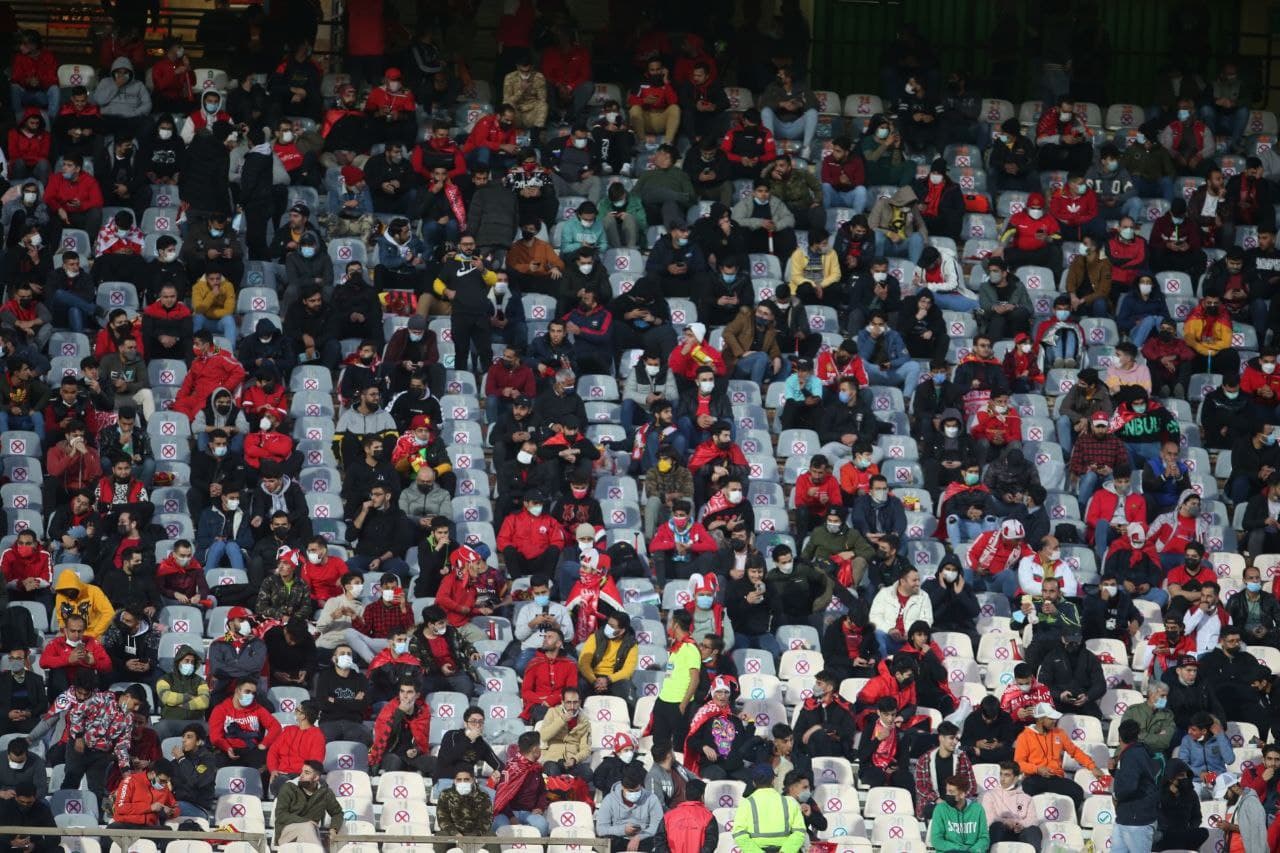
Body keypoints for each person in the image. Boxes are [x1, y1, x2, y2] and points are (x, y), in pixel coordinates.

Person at [1013, 702, 1104, 813]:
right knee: (1028, 788)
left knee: (1077, 792)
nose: (1055, 721)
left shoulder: (1059, 733)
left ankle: (1067, 818)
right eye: (1051, 718)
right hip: (1035, 777)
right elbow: (1018, 763)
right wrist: (1037, 769)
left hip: (1055, 777)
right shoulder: (1024, 737)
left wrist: (1092, 767)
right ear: (1041, 720)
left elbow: (1075, 752)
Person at [651, 610, 700, 752]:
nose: (669, 624)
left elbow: (695, 680)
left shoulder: (691, 648)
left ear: (675, 624)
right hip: (663, 700)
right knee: (659, 743)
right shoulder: (676, 646)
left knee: (678, 746)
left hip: (678, 703)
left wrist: (683, 705)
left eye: (671, 621)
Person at [731, 765, 806, 853]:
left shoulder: (746, 803)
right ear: (773, 780)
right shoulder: (790, 802)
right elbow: (799, 832)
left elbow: (739, 834)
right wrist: (785, 851)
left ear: (754, 782)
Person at [274, 760, 344, 846]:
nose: (301, 776)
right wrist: (307, 821)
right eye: (302, 771)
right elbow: (280, 815)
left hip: (310, 833)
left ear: (316, 777)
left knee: (308, 830)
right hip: (286, 832)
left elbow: (337, 813)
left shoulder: (325, 792)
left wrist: (334, 829)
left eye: (306, 773)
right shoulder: (289, 788)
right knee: (307, 827)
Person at [369, 680, 432, 775]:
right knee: (394, 761)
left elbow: (422, 741)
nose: (404, 696)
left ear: (417, 695)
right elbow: (383, 738)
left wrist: (416, 750)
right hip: (390, 754)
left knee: (433, 762)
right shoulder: (389, 709)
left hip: (411, 757)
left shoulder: (422, 712)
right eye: (402, 691)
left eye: (409, 692)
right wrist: (399, 712)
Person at [596, 763, 664, 852]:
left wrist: (639, 837)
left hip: (644, 839)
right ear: (623, 787)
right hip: (619, 839)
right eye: (631, 791)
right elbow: (601, 829)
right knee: (604, 842)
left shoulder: (651, 799)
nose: (634, 794)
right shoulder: (609, 800)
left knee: (659, 841)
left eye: (637, 791)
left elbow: (658, 826)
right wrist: (623, 830)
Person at [493, 731, 550, 835]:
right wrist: (511, 818)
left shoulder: (536, 769)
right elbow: (501, 797)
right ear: (535, 749)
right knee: (500, 826)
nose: (540, 749)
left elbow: (542, 791)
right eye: (539, 746)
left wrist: (539, 807)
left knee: (542, 825)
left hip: (529, 813)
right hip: (507, 813)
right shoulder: (511, 768)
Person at [982, 762, 1041, 850]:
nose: (1002, 779)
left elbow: (1033, 820)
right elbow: (989, 818)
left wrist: (1019, 824)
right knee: (996, 826)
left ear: (1016, 778)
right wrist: (1006, 822)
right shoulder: (989, 795)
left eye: (1007, 775)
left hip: (1021, 833)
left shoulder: (1027, 798)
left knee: (1034, 830)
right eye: (1001, 774)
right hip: (1001, 831)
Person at [653, 778, 717, 853]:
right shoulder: (708, 817)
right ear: (703, 795)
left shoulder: (668, 816)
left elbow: (659, 841)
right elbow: (711, 844)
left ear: (684, 793)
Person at [929, 775, 989, 853]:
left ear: (962, 794)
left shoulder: (978, 809)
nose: (947, 795)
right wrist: (960, 849)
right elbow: (936, 840)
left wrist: (973, 850)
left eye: (951, 792)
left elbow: (984, 838)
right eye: (946, 791)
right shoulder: (940, 809)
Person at [1213, 773, 1269, 853]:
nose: (1224, 797)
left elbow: (1257, 830)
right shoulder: (1232, 803)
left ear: (1235, 787)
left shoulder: (1251, 802)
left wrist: (1231, 827)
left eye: (1225, 793)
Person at [436, 767, 494, 836]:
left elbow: (486, 820)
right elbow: (443, 819)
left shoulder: (483, 796)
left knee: (491, 836)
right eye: (459, 780)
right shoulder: (445, 794)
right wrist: (455, 833)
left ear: (473, 780)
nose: (462, 782)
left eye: (466, 780)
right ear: (454, 781)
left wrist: (474, 835)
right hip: (453, 834)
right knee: (441, 835)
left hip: (476, 836)